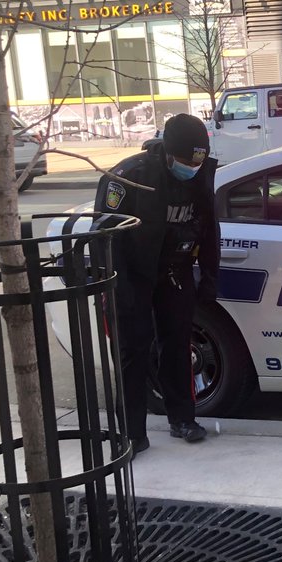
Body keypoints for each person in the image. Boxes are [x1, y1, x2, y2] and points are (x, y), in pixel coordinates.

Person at [96, 113, 221, 456]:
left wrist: (210, 278)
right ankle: (133, 434)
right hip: (130, 274)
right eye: (183, 161)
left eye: (195, 162)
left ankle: (182, 419)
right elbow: (104, 236)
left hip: (174, 271)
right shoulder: (129, 178)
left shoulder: (199, 174)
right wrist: (117, 287)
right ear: (167, 153)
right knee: (132, 351)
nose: (190, 168)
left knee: (178, 345)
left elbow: (209, 229)